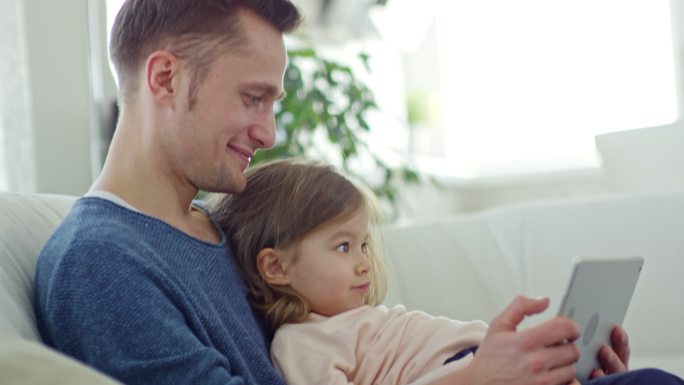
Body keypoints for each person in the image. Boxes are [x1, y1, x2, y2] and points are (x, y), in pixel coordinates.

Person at [211, 158, 684, 385]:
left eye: (363, 244)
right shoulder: (302, 343)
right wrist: (478, 373)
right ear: (275, 266)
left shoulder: (365, 320)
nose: (362, 262)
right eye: (341, 246)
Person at [33, 1, 302, 384]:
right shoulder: (101, 262)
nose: (269, 134)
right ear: (165, 79)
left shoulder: (227, 227)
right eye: (253, 98)